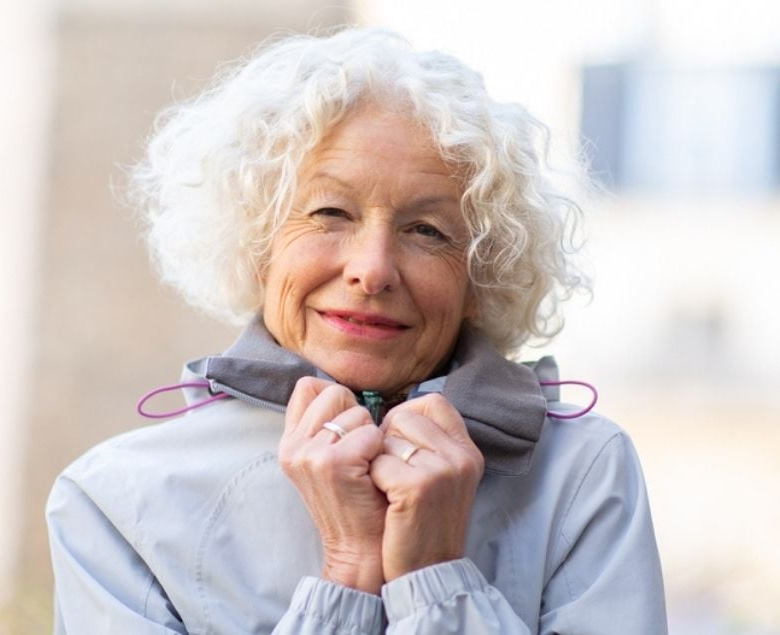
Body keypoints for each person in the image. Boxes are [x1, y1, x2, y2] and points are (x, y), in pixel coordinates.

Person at [46, 27, 666, 634]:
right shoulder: (115, 501)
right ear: (258, 245)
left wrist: (437, 579)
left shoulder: (584, 473)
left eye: (427, 231)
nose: (372, 269)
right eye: (329, 213)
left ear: (481, 274)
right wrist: (348, 573)